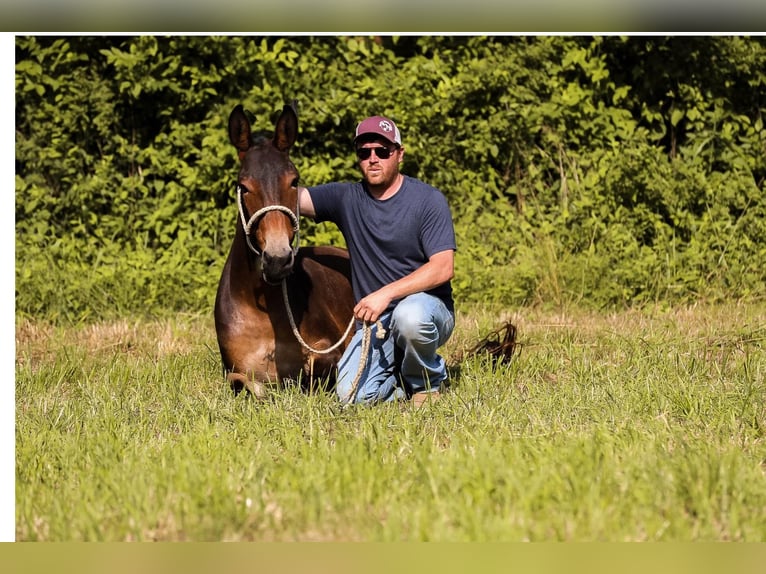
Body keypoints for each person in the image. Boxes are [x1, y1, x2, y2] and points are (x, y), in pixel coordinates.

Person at [298, 115, 457, 406]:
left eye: (382, 151)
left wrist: (385, 294)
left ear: (399, 154)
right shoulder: (347, 198)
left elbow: (443, 267)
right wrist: (261, 167)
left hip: (428, 311)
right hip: (377, 324)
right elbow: (289, 197)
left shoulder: (427, 200)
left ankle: (428, 383)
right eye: (364, 152)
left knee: (409, 317)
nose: (373, 158)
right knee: (350, 398)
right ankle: (401, 385)